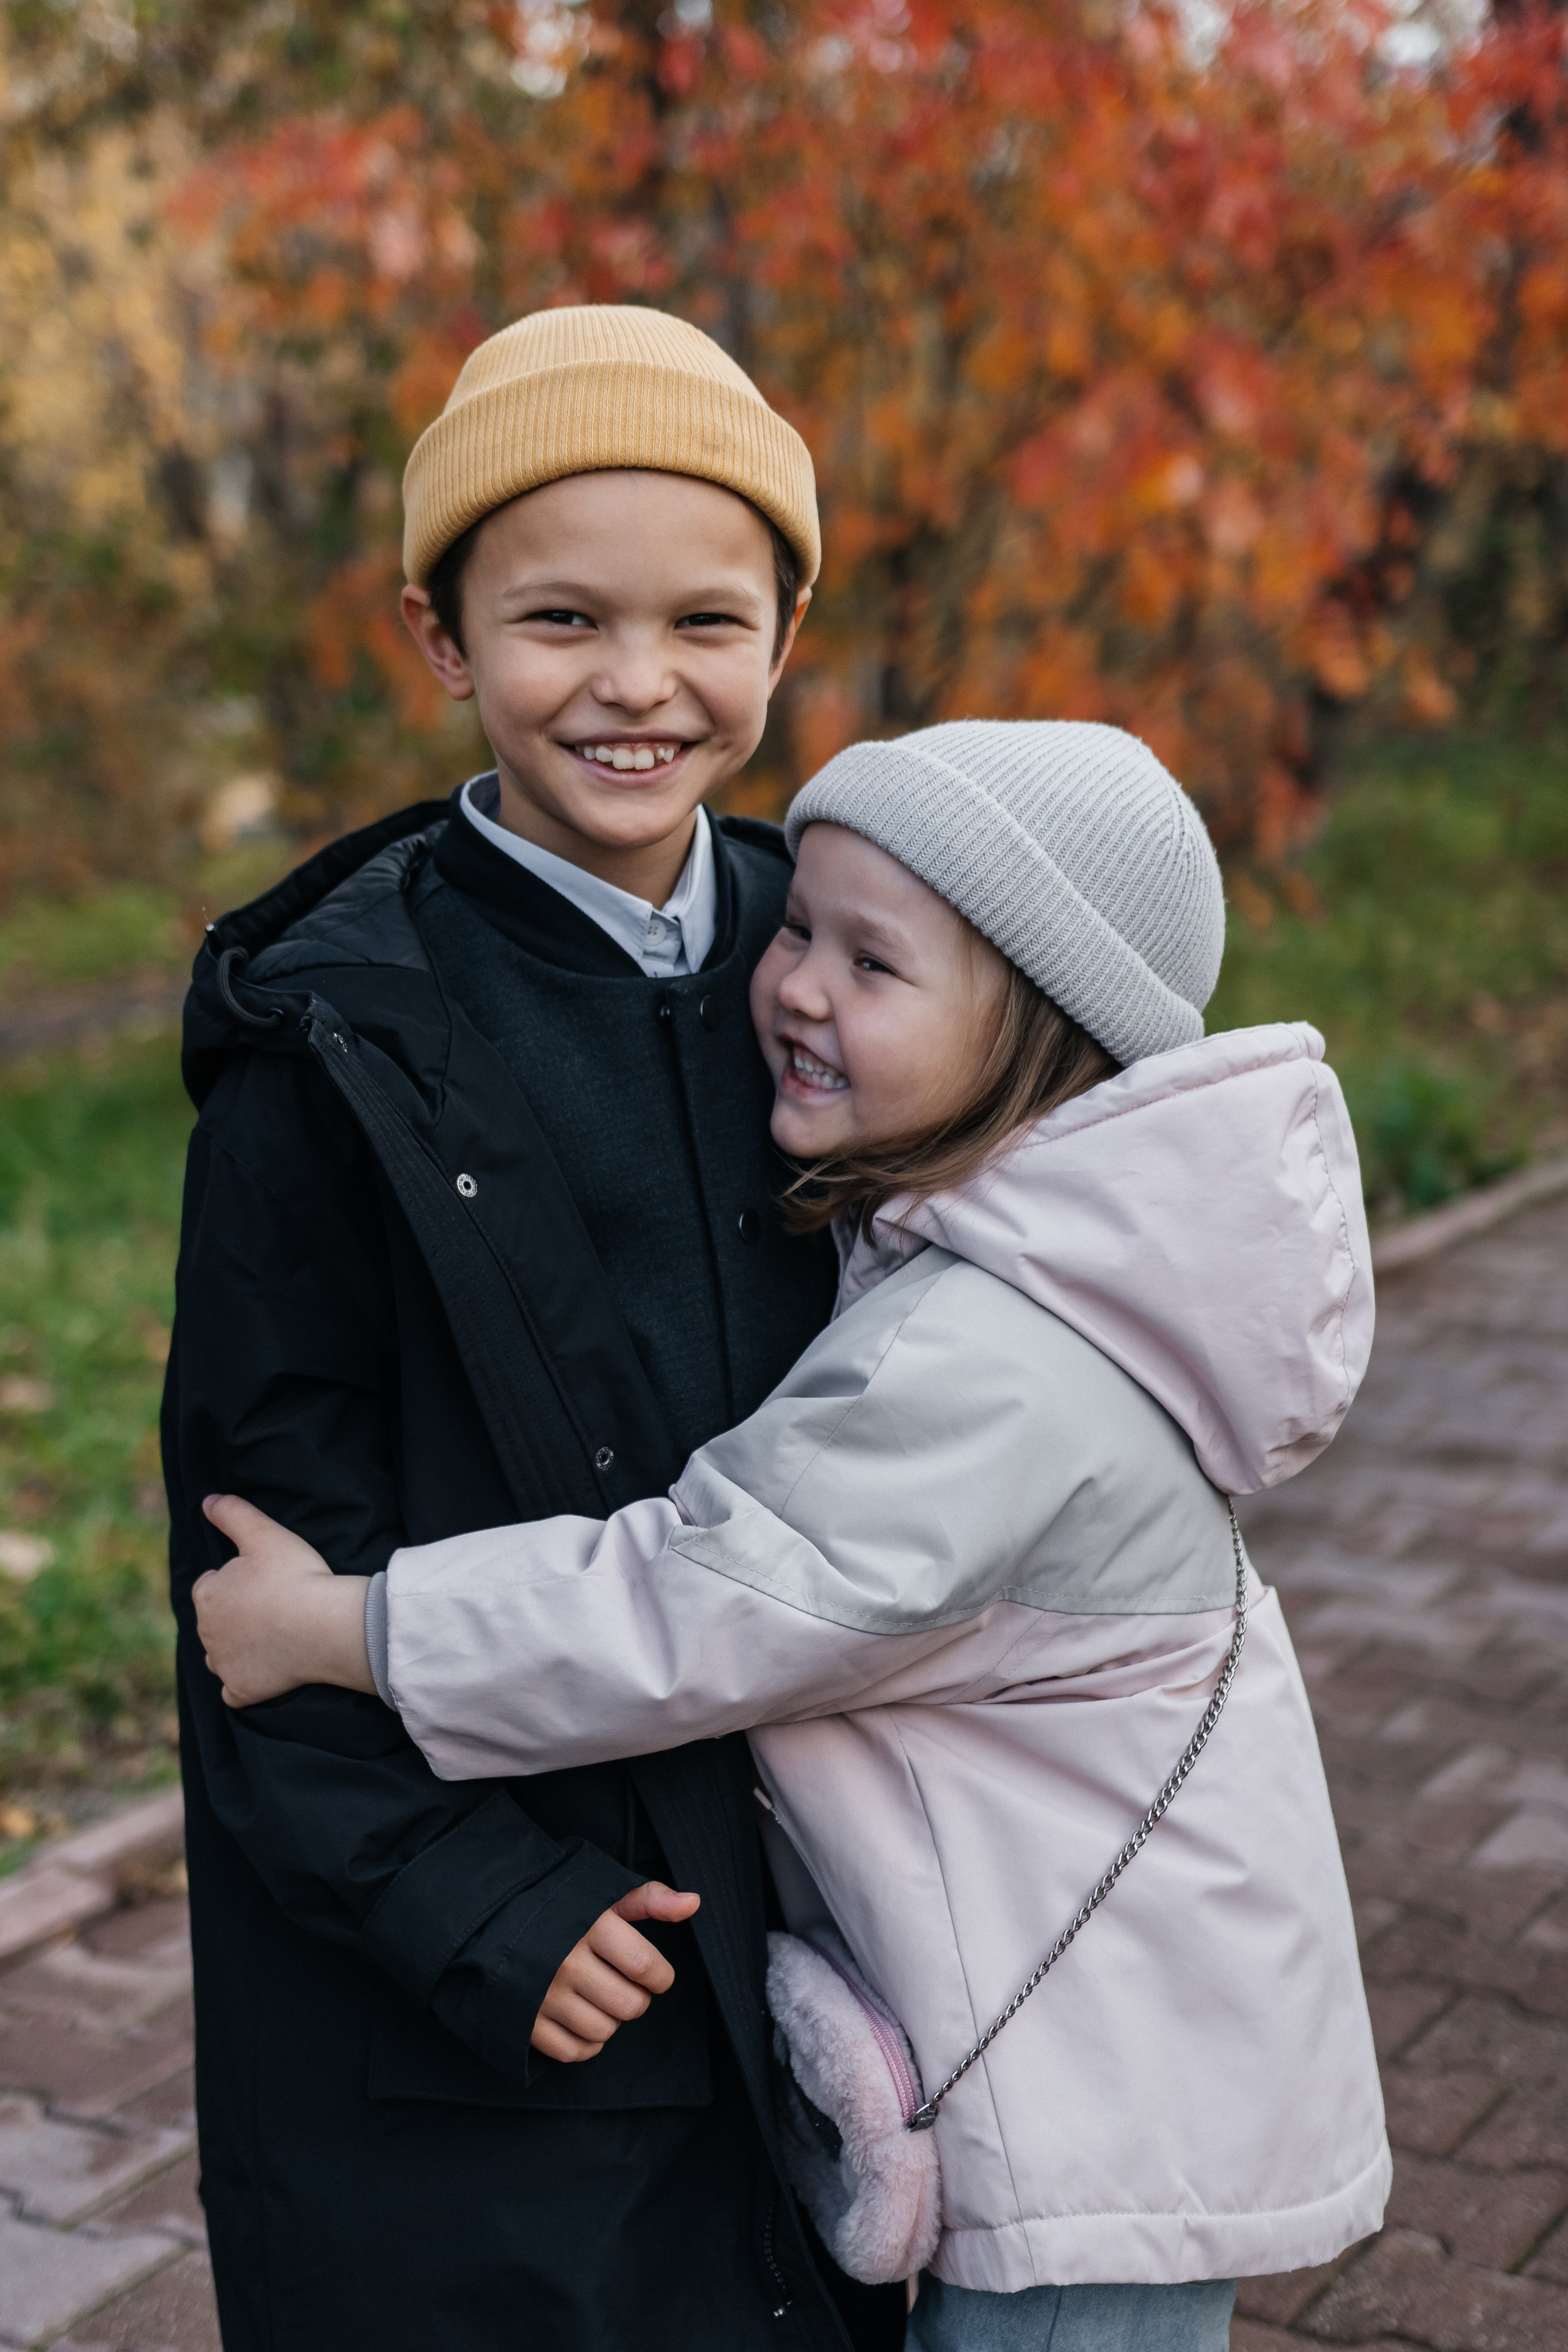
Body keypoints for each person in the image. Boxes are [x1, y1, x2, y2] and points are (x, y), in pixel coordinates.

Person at [194, 719, 1392, 2352]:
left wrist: (348, 1631)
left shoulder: (995, 1364)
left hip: (1104, 2125)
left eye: (870, 962)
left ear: (1039, 1029)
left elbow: (705, 1596)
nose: (797, 985)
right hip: (1105, 2053)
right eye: (800, 930)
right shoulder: (1022, 1262)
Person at [162, 304, 907, 2352]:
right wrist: (464, 1899)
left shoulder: (847, 960)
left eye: (707, 621)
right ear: (440, 632)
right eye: (563, 619)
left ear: (786, 628)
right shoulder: (337, 1045)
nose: (640, 686)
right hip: (515, 1971)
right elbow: (247, 1580)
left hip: (838, 1912)